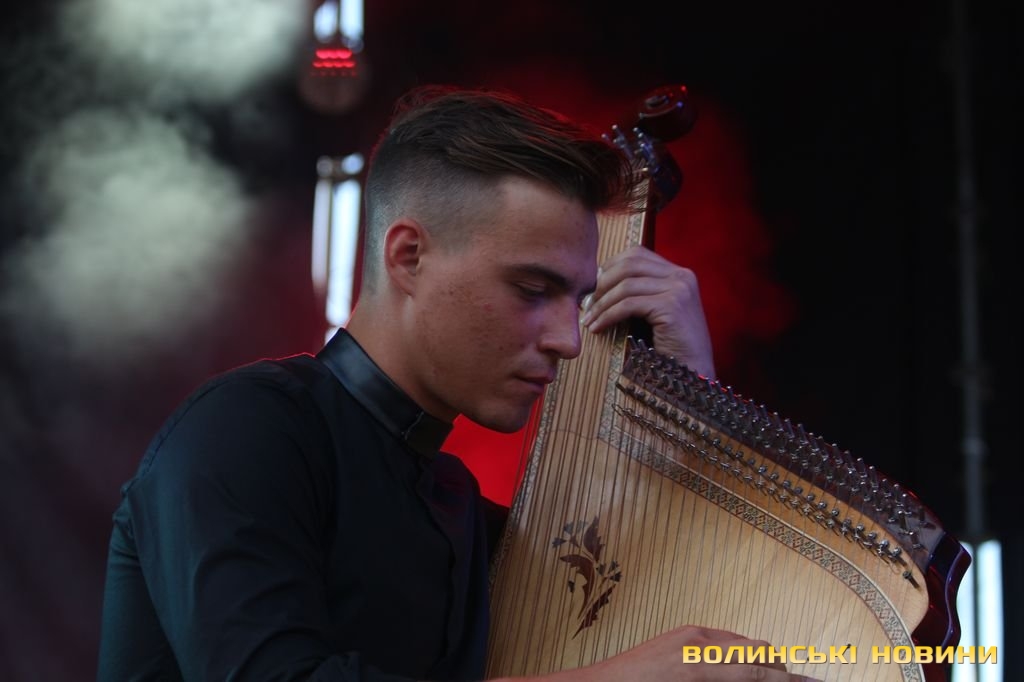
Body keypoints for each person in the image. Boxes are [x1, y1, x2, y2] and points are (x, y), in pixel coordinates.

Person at [97, 85, 817, 682]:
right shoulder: (245, 428)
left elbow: (647, 578)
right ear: (408, 256)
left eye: (578, 300)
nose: (568, 340)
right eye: (532, 289)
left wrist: (691, 382)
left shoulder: (457, 506)